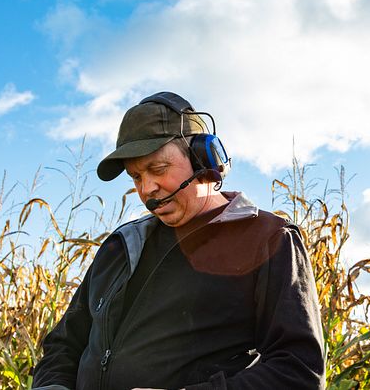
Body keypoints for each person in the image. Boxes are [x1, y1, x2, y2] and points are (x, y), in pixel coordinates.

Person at [32, 92, 326, 389]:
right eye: (135, 177)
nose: (147, 188)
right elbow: (63, 346)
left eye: (157, 169)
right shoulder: (119, 246)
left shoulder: (268, 238)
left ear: (202, 159)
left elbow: (298, 370)